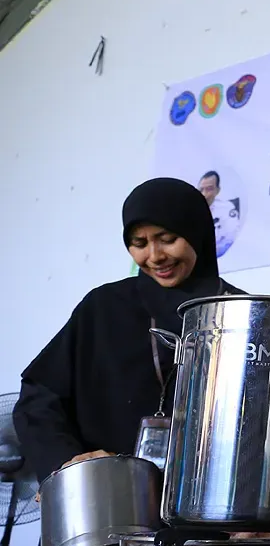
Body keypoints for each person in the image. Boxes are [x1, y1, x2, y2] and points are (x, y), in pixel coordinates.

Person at [16, 177, 245, 484]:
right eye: (139, 244)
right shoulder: (104, 307)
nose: (155, 256)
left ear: (197, 233)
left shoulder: (241, 314)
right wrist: (66, 463)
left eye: (167, 238)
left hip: (208, 506)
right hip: (104, 500)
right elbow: (39, 399)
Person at [198, 170, 241, 256]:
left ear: (217, 190)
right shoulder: (191, 209)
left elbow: (231, 238)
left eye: (209, 189)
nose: (204, 194)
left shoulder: (227, 209)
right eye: (201, 189)